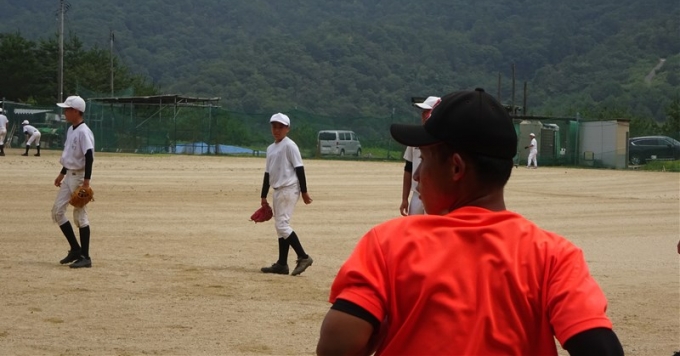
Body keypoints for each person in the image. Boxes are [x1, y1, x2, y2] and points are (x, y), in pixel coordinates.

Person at [317, 88, 623, 356]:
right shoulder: (553, 256)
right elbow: (600, 347)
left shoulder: (389, 242)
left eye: (425, 160)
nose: (418, 175)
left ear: (456, 168)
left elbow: (337, 346)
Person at [259, 113, 314, 276]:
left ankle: (303, 257)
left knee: (282, 225)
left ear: (287, 129)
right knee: (280, 227)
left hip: (289, 188)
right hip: (278, 190)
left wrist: (304, 191)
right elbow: (267, 173)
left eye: (280, 127)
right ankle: (282, 264)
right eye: (274, 126)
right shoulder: (271, 148)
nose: (277, 130)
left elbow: (299, 168)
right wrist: (263, 196)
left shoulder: (290, 146)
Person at [52, 96, 95, 269]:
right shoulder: (71, 130)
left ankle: (86, 257)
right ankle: (76, 250)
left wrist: (86, 183)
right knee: (57, 212)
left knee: (80, 216)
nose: (64, 112)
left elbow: (89, 156)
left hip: (79, 177)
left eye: (67, 109)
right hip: (69, 174)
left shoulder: (84, 132)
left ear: (76, 111)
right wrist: (61, 174)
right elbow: (70, 155)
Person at [400, 95, 440, 216]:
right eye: (423, 112)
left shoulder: (445, 140)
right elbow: (408, 169)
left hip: (436, 196)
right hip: (417, 195)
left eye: (427, 111)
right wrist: (404, 199)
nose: (423, 115)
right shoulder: (415, 138)